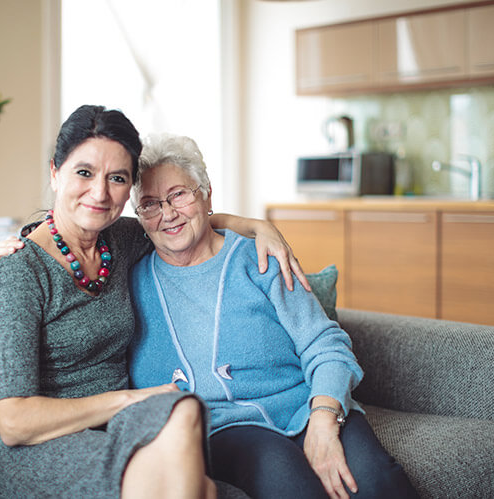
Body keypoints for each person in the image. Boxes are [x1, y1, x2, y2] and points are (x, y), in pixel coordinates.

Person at [0, 105, 309, 498]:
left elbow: (185, 217)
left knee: (184, 408)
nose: (100, 192)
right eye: (84, 172)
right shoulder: (20, 270)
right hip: (28, 447)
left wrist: (258, 226)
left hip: (115, 428)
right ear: (55, 173)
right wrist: (132, 398)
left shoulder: (120, 240)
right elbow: (14, 420)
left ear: (129, 191)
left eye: (117, 178)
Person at [126, 133, 418, 499]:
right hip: (225, 429)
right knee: (288, 482)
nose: (167, 214)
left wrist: (324, 420)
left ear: (206, 193)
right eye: (150, 204)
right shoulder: (132, 280)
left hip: (306, 404)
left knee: (375, 483)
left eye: (179, 195)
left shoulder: (258, 258)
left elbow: (324, 343)